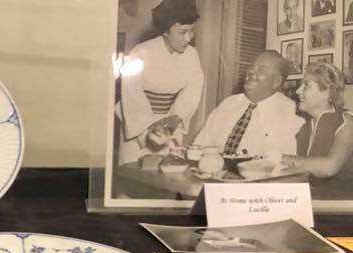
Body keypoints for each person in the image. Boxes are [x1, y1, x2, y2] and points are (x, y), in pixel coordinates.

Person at [117, 0, 204, 164]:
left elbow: (192, 91)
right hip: (138, 129)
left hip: (169, 127)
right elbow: (131, 95)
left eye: (192, 30)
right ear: (165, 30)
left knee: (167, 172)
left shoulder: (192, 55)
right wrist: (151, 127)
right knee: (133, 174)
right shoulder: (140, 53)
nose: (188, 38)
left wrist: (176, 117)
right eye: (182, 32)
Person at [193, 51, 304, 159]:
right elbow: (200, 146)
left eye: (261, 70)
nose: (251, 72)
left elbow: (286, 161)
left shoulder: (289, 112)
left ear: (276, 82)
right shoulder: (228, 104)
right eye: (252, 67)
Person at [281, 63, 353, 180]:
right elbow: (302, 172)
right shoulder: (304, 128)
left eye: (306, 86)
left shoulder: (347, 122)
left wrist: (282, 159)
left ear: (328, 92)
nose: (298, 91)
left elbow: (329, 168)